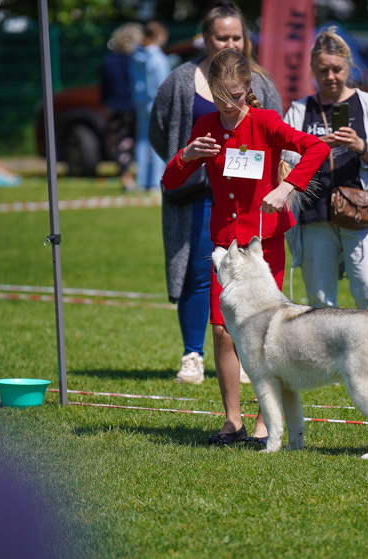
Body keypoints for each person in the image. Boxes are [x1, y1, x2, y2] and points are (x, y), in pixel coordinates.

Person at [162, 48, 330, 445]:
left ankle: (263, 422)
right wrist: (187, 156)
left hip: (263, 243)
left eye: (237, 97)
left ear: (248, 89)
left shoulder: (267, 121)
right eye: (222, 99)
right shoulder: (205, 124)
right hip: (225, 245)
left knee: (264, 332)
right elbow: (170, 182)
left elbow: (317, 148)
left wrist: (287, 186)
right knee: (222, 331)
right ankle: (231, 421)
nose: (230, 106)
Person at [149, 0, 281, 389]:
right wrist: (188, 161)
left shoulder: (263, 83)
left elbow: (278, 136)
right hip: (194, 198)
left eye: (236, 36)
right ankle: (193, 355)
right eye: (221, 36)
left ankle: (244, 354)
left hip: (246, 201)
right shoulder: (179, 81)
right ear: (205, 38)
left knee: (250, 274)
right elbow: (159, 130)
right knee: (197, 274)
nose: (230, 43)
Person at [281, 28, 368, 312]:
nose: (330, 77)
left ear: (349, 66)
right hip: (314, 212)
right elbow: (284, 158)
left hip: (359, 209)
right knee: (320, 300)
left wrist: (360, 145)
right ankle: (330, 355)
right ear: (312, 71)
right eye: (322, 70)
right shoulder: (300, 110)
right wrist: (316, 148)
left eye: (336, 69)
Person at [101, 23, 143, 191]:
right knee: (140, 141)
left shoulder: (108, 61)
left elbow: (105, 87)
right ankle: (143, 176)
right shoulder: (137, 60)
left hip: (114, 106)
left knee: (121, 143)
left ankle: (126, 177)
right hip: (134, 105)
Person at [130, 21, 171, 192]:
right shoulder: (158, 58)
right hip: (156, 102)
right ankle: (155, 181)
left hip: (141, 102)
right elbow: (164, 83)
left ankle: (141, 181)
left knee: (141, 141)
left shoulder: (136, 56)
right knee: (158, 141)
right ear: (159, 37)